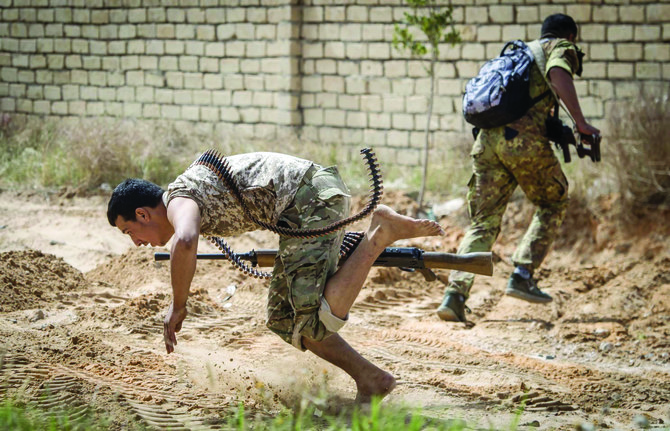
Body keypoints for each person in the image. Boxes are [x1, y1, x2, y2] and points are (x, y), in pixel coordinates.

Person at [107, 151, 444, 403]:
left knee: (307, 320)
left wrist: (178, 305)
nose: (136, 241)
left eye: (129, 231)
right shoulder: (183, 193)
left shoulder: (178, 201)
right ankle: (371, 378)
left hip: (311, 200)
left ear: (142, 213)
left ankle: (381, 233)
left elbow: (184, 241)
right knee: (284, 319)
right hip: (304, 205)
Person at [437, 14, 601, 322]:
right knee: (553, 201)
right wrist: (580, 123)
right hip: (521, 142)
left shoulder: (518, 54)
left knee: (483, 222)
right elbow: (558, 71)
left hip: (486, 144)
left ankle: (455, 296)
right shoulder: (560, 46)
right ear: (569, 35)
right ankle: (523, 274)